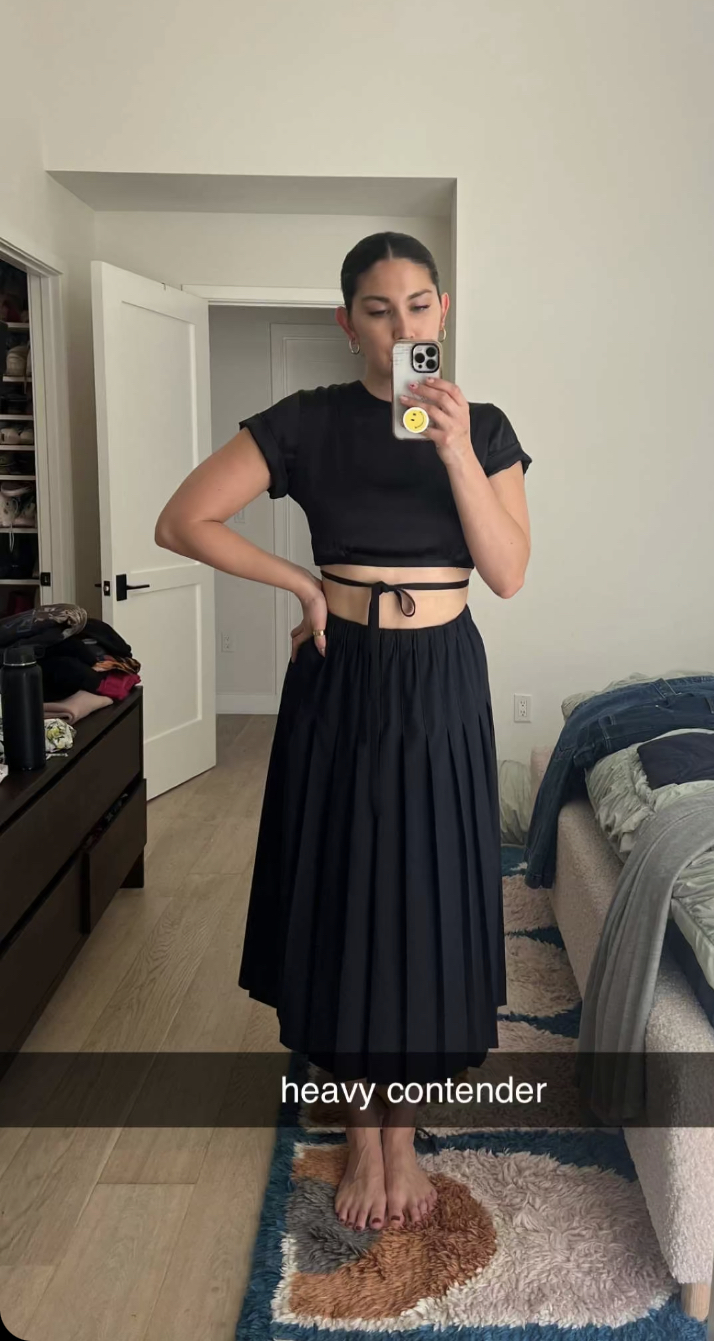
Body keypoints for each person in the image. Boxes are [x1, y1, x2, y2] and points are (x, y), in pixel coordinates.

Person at [155, 231, 532, 1238]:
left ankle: (403, 1131)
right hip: (344, 674)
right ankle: (364, 1132)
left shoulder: (486, 427)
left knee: (425, 893)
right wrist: (299, 582)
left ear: (442, 312)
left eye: (419, 305)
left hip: (443, 677)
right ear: (347, 322)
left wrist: (454, 450)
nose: (401, 326)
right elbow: (184, 520)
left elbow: (506, 572)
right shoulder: (308, 421)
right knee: (348, 889)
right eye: (378, 308)